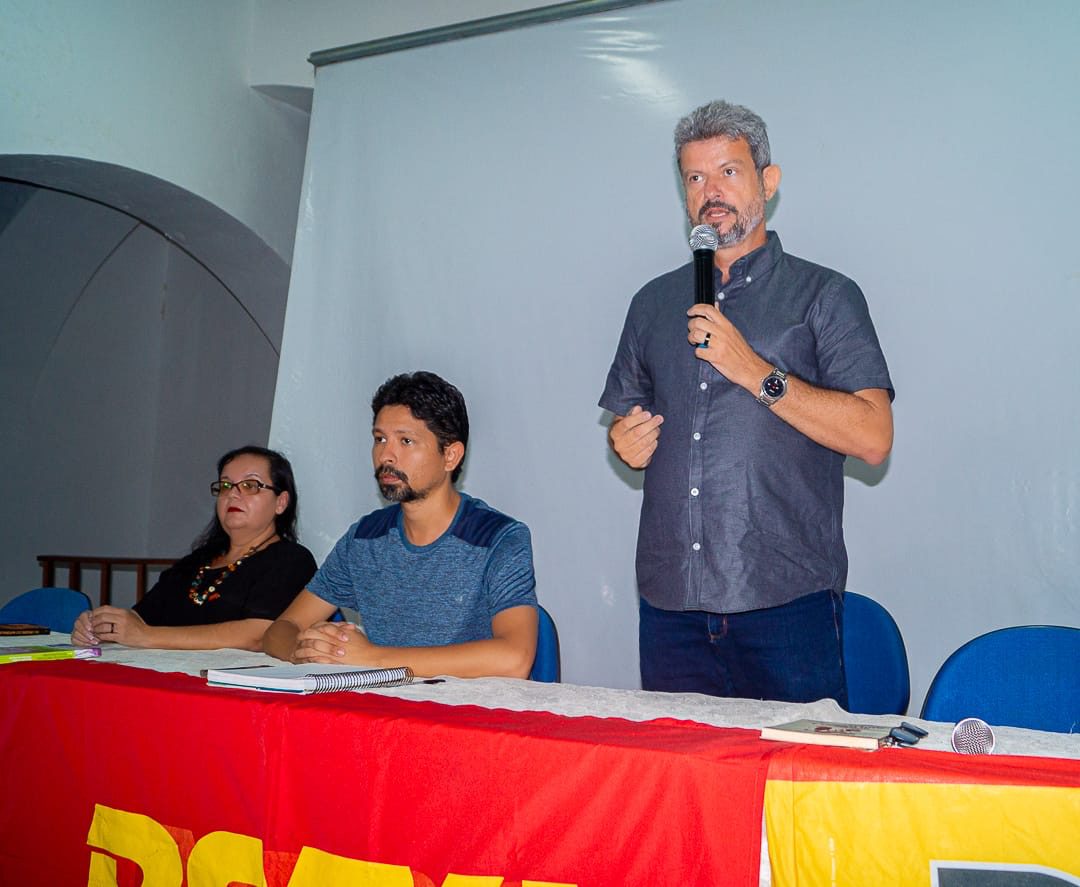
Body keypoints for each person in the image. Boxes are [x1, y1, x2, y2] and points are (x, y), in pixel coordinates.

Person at [599, 100, 894, 706]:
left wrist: (754, 369)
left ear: (768, 180)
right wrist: (624, 442)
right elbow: (629, 419)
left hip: (784, 602)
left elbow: (873, 436)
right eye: (695, 177)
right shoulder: (651, 303)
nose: (712, 191)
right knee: (685, 788)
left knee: (795, 791)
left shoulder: (825, 295)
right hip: (670, 603)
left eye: (729, 171)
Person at [263, 371, 538, 678]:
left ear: (451, 455)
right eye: (380, 439)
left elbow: (514, 658)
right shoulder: (365, 539)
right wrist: (310, 651)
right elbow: (281, 629)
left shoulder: (498, 538)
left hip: (463, 716)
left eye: (406, 441)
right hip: (378, 713)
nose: (386, 455)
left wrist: (373, 658)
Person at [71, 446, 317, 650]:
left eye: (250, 485)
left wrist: (145, 636)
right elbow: (142, 617)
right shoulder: (198, 560)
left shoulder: (291, 560)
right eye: (226, 486)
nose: (233, 495)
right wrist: (105, 625)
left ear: (281, 502)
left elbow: (259, 634)